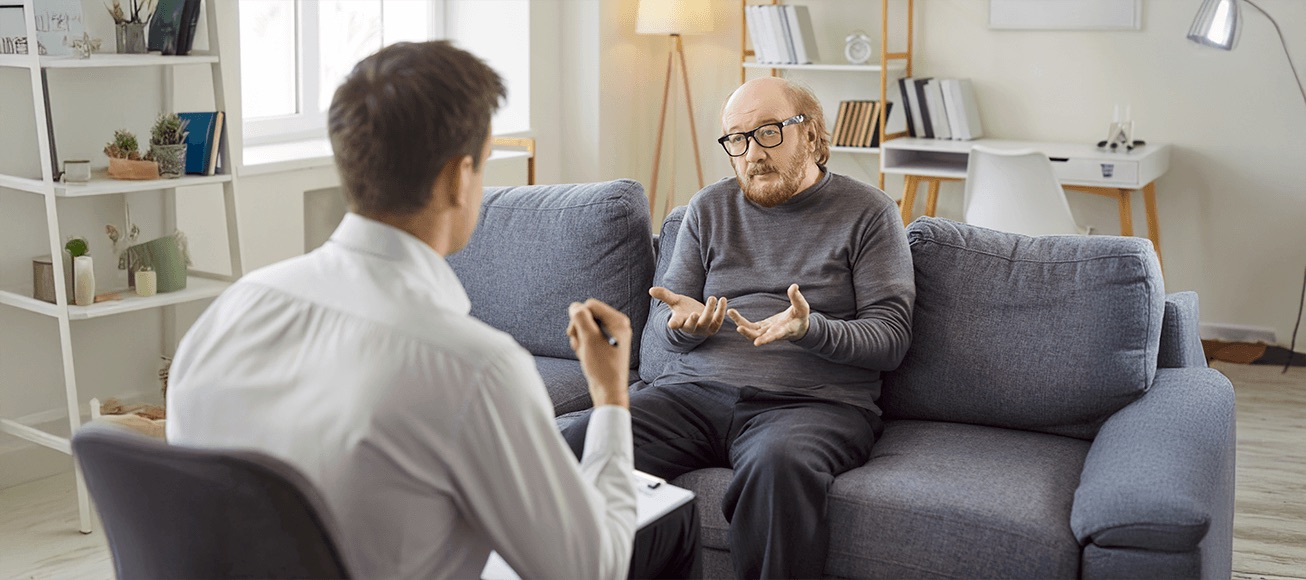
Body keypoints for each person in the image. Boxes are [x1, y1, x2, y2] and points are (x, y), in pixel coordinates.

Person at [167, 41, 697, 579]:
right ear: (455, 178)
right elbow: (588, 568)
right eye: (485, 165)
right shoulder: (473, 367)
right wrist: (609, 398)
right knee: (669, 523)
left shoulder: (231, 311)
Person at [563, 76, 915, 579]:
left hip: (812, 406)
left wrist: (810, 328)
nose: (752, 153)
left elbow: (891, 338)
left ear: (812, 136)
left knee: (779, 468)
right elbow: (662, 323)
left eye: (769, 132)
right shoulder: (708, 209)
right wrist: (684, 326)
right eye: (737, 139)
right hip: (693, 394)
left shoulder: (869, 213)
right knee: (583, 442)